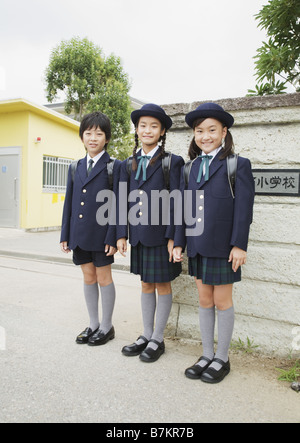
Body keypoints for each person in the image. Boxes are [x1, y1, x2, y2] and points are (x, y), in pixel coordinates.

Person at [173, 102, 255, 383]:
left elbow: (244, 209)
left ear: (224, 132)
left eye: (211, 130)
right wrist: (178, 243)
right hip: (197, 245)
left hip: (223, 247)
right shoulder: (189, 168)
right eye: (199, 131)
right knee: (204, 300)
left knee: (222, 301)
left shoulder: (236, 164)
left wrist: (239, 245)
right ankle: (207, 354)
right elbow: (184, 210)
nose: (205, 136)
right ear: (194, 135)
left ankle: (222, 357)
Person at [117, 104, 184, 362]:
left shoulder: (172, 162)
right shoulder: (128, 164)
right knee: (145, 284)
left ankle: (158, 338)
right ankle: (146, 334)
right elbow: (121, 201)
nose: (147, 130)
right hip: (139, 235)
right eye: (143, 125)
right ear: (136, 129)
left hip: (162, 237)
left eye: (153, 126)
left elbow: (178, 202)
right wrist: (121, 235)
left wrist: (173, 238)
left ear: (162, 130)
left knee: (163, 284)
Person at [60, 111, 121, 347]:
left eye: (99, 133)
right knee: (88, 277)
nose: (93, 138)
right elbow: (69, 203)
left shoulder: (114, 166)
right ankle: (93, 323)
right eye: (88, 133)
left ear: (107, 138)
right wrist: (66, 234)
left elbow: (119, 205)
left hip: (103, 235)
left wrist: (114, 236)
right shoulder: (75, 167)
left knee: (104, 278)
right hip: (80, 233)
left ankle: (107, 326)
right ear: (82, 137)